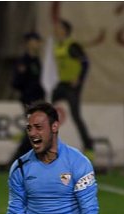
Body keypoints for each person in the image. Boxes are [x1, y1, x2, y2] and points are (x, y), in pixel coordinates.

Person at [52, 19, 94, 159]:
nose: (56, 30)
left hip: (72, 86)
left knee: (76, 115)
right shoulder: (58, 45)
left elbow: (85, 62)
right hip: (62, 84)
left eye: (59, 28)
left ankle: (89, 146)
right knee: (46, 111)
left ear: (65, 30)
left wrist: (79, 78)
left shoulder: (72, 46)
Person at [10, 31, 46, 162]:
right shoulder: (23, 62)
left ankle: (22, 158)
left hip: (38, 100)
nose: (37, 44)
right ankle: (18, 157)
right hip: (29, 100)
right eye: (34, 41)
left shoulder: (37, 61)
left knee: (34, 129)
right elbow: (15, 83)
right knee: (34, 129)